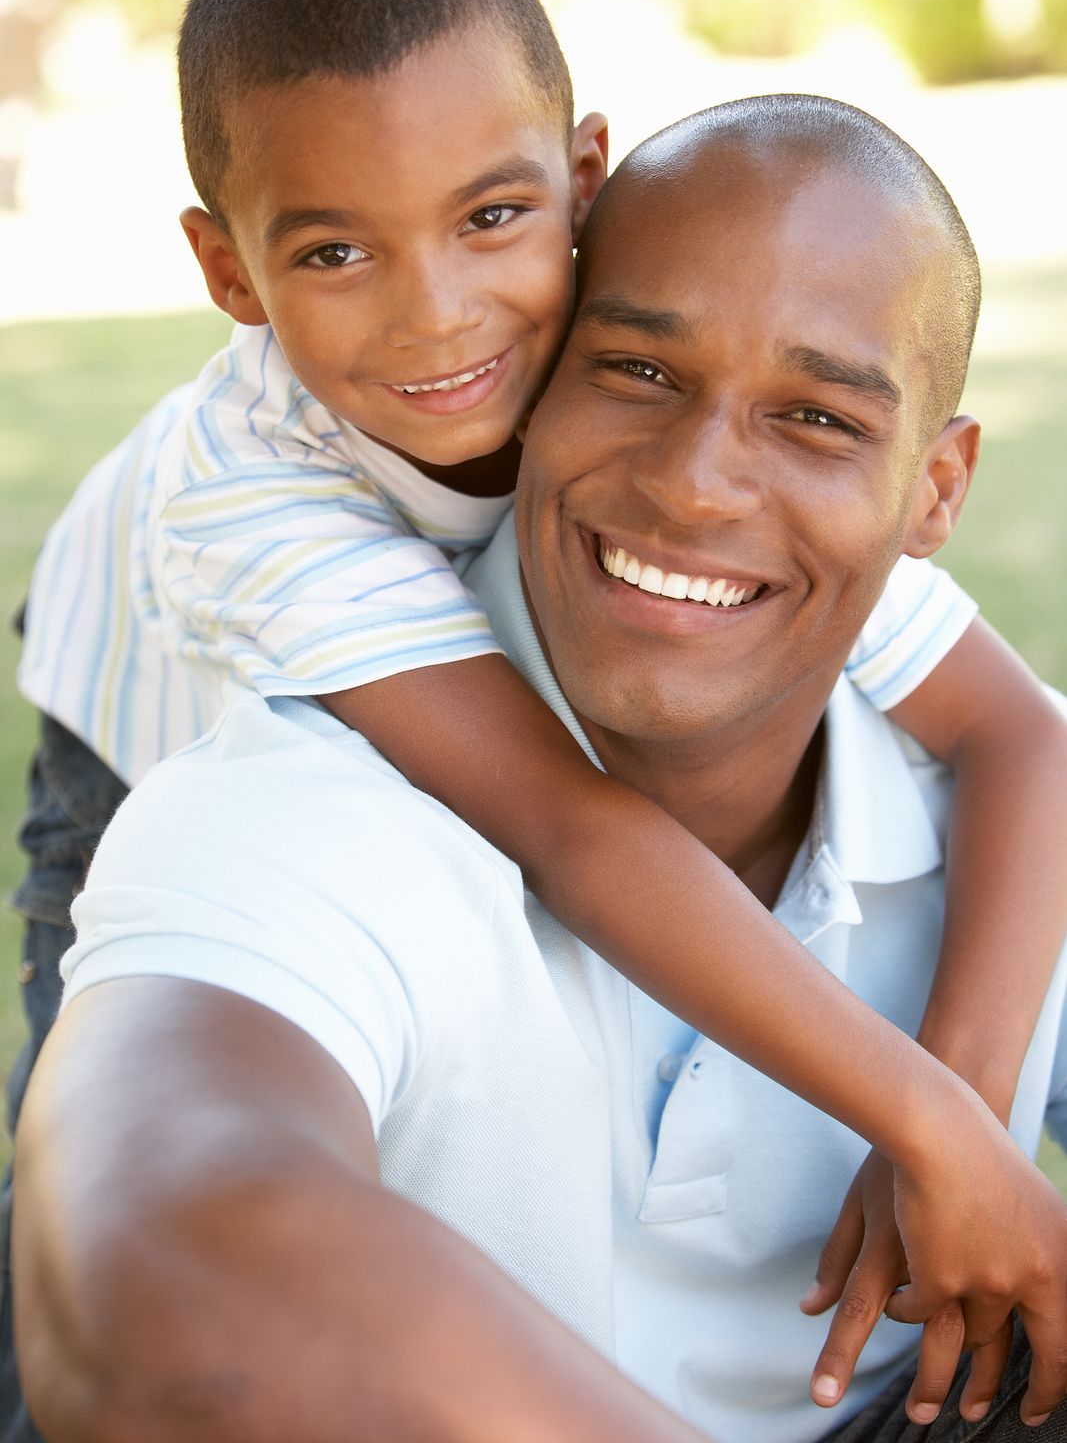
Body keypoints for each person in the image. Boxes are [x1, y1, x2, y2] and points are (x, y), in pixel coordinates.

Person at [13, 96, 1067, 1443]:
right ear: (542, 389)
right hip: (126, 688)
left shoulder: (875, 648)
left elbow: (1027, 730)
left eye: (815, 417)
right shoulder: (292, 757)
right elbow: (165, 1290)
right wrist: (924, 1113)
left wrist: (961, 1117)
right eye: (636, 371)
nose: (697, 487)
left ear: (936, 493)